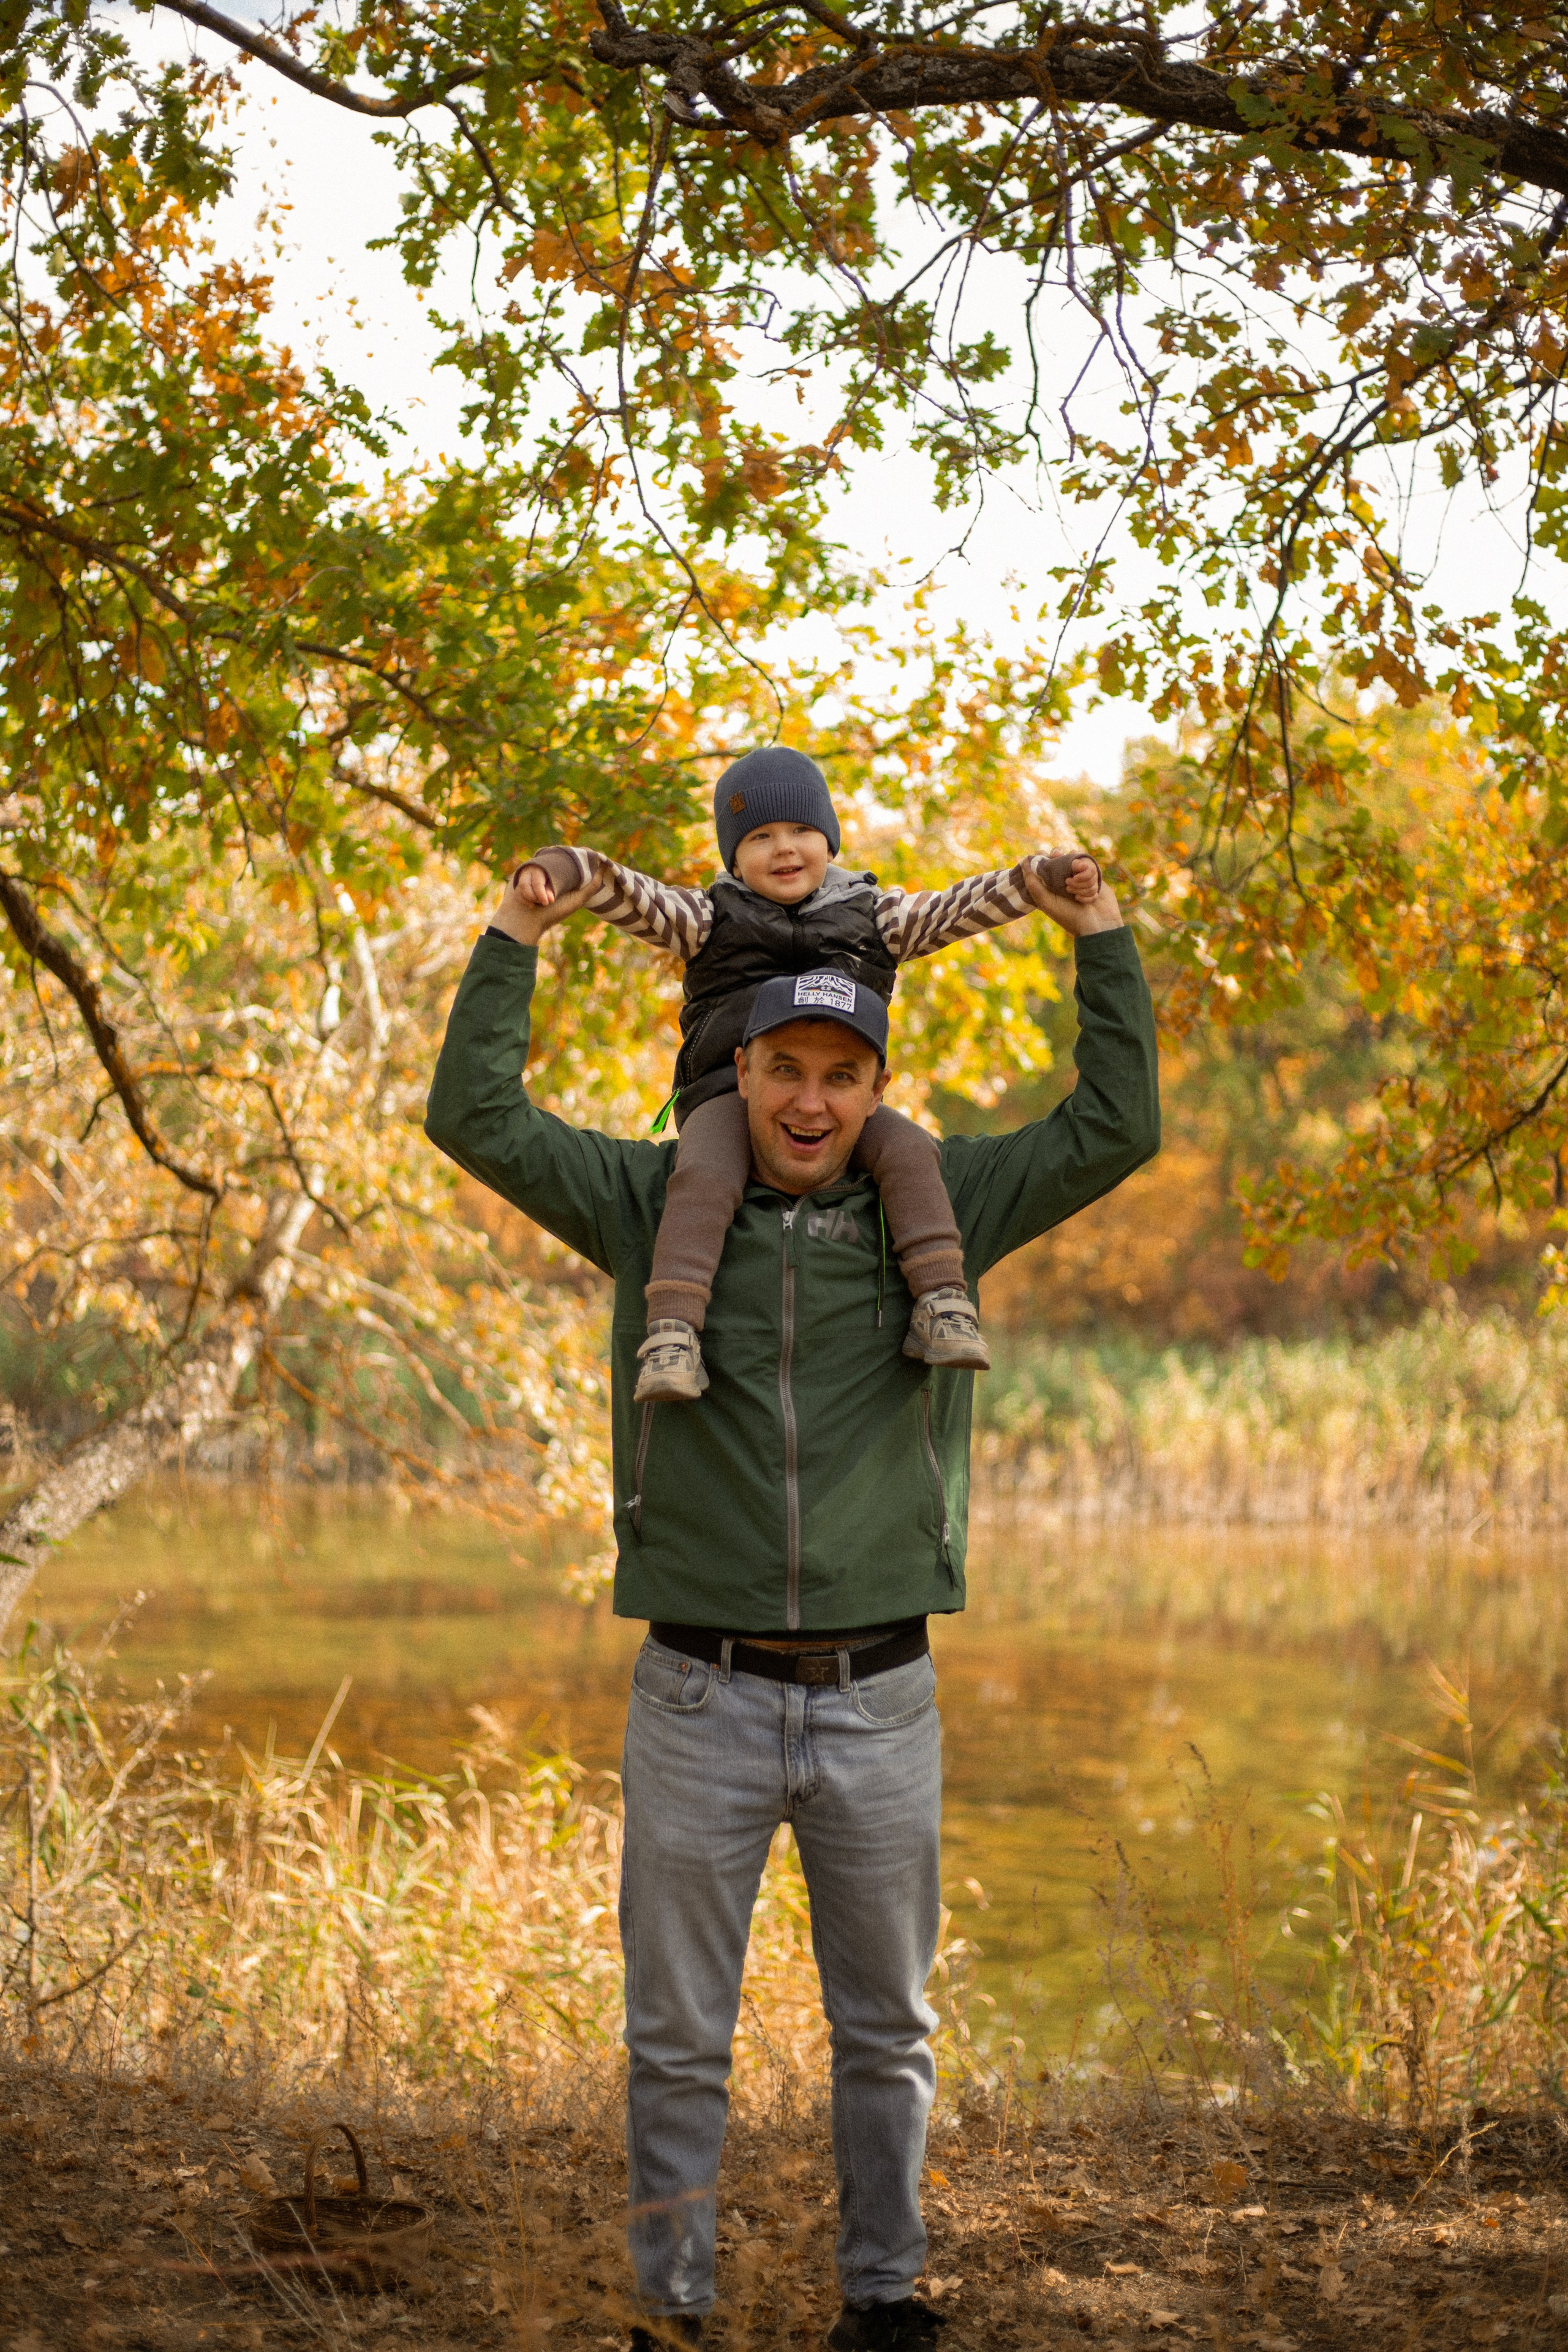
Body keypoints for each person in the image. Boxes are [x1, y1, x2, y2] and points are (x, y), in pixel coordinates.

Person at [424, 846, 1158, 2352]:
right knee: (676, 2042)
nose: (810, 1100)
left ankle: (880, 2298)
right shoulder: (652, 1204)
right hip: (696, 1692)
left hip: (883, 1698)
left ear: (873, 1082)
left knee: (886, 2037)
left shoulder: (935, 1204)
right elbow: (474, 1118)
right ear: (736, 1069)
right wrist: (512, 935)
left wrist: (1102, 939)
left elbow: (1112, 1125)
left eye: (840, 1072)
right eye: (781, 1069)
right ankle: (669, 2315)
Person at [509, 745, 1100, 1404]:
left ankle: (941, 1301)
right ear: (733, 857)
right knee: (704, 1172)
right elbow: (620, 887)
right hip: (728, 1097)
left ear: (829, 837)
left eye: (800, 831)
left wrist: (1044, 877)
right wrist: (557, 869)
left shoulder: (877, 918)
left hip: (843, 1103)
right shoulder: (707, 921)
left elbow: (964, 904)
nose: (783, 849)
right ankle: (673, 1331)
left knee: (909, 1149)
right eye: (759, 837)